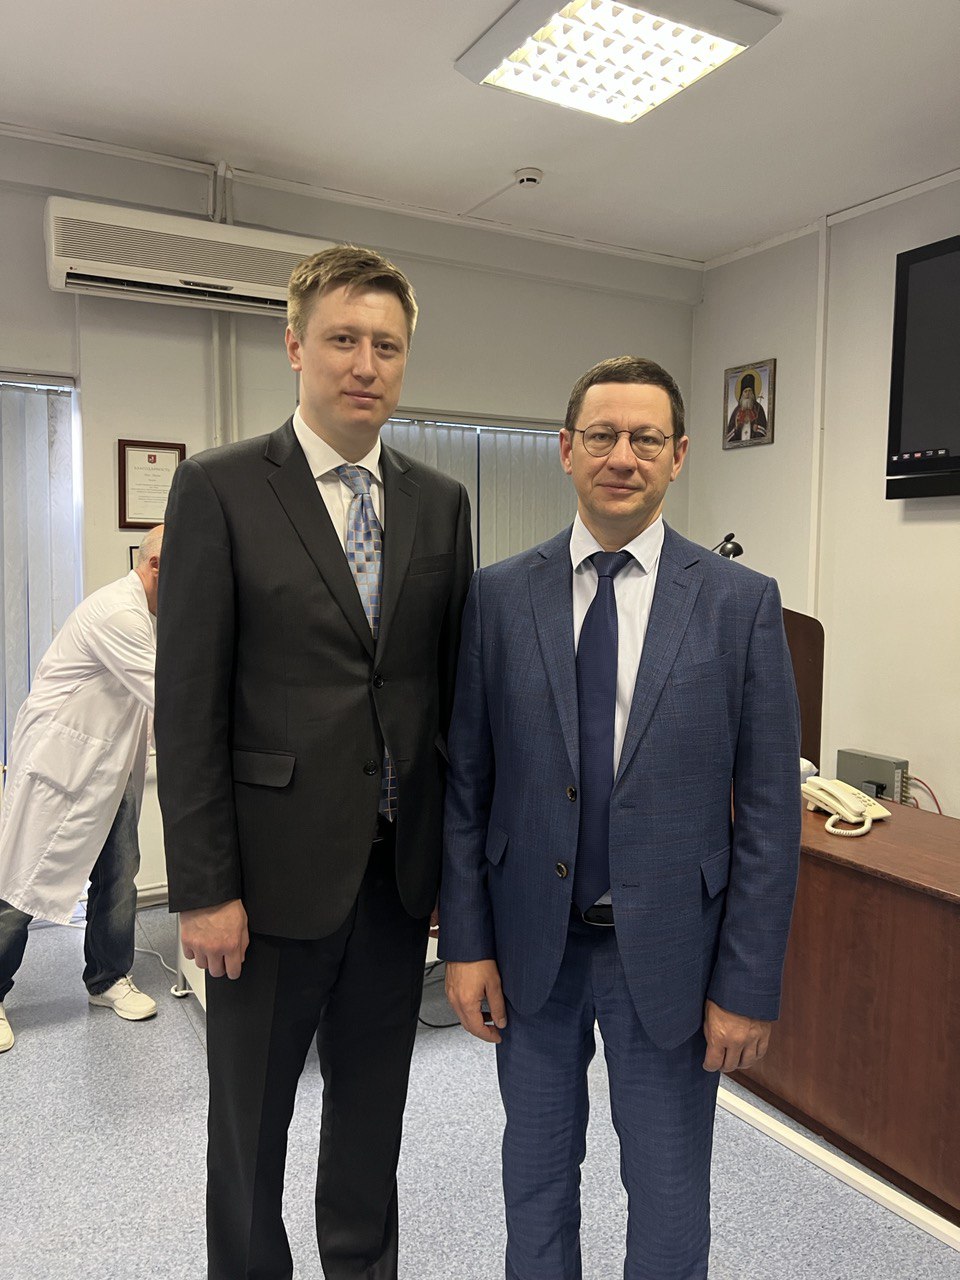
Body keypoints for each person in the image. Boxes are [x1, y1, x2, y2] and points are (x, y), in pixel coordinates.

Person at [440, 355, 801, 1280]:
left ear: (680, 454)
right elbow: (468, 786)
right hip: (533, 951)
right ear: (566, 449)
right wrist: (466, 945)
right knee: (535, 1184)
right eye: (602, 435)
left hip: (675, 957)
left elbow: (769, 815)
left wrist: (748, 984)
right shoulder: (497, 596)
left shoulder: (739, 605)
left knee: (671, 1198)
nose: (622, 455)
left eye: (646, 438)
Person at [155, 244, 473, 1280]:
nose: (365, 364)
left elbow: (444, 697)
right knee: (251, 1129)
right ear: (295, 346)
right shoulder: (219, 488)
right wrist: (204, 888)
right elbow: (189, 706)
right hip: (264, 888)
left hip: (394, 881)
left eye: (387, 345)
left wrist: (451, 868)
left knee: (373, 1119)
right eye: (343, 339)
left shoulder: (439, 501)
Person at [0, 525, 164, 1053]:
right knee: (20, 885)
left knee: (118, 876)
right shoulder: (119, 613)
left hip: (108, 767)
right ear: (157, 565)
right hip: (61, 766)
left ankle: (107, 978)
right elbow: (170, 694)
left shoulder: (152, 614)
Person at [725, 370, 768, 443]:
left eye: (750, 391)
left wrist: (757, 429)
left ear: (753, 393)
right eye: (745, 391)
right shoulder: (736, 411)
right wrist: (736, 429)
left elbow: (765, 430)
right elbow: (728, 437)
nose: (748, 393)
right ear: (742, 394)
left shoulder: (758, 408)